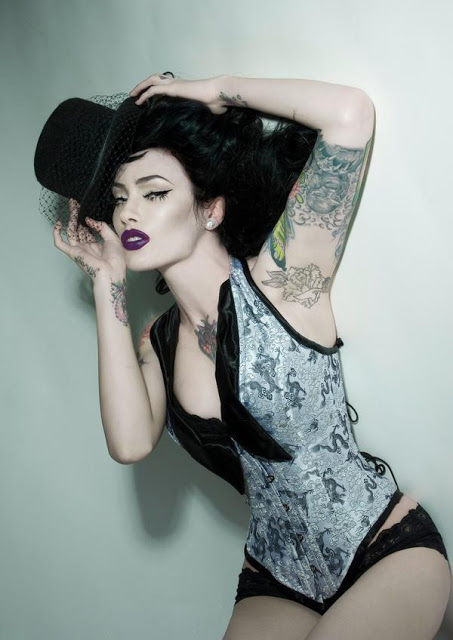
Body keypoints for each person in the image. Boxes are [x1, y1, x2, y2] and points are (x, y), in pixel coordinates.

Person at [34, 72, 451, 639]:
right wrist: (108, 283)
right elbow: (129, 444)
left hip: (382, 546)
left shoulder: (284, 278)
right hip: (276, 576)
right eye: (120, 198)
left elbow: (351, 115)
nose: (130, 213)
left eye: (154, 193)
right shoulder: (157, 341)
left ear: (211, 208)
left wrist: (216, 90)